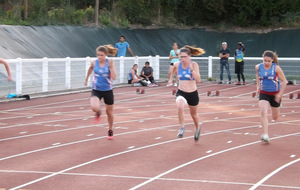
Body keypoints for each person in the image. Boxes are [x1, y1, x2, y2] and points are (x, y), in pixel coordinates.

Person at [168, 45, 205, 141]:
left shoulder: (194, 65)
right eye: (181, 56)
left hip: (192, 93)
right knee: (180, 106)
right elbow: (172, 71)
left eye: (184, 57)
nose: (182, 58)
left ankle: (197, 128)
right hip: (181, 92)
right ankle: (182, 127)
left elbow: (198, 80)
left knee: (194, 115)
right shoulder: (177, 64)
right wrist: (170, 79)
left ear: (189, 56)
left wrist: (192, 70)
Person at [84, 45, 117, 140]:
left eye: (101, 55)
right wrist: (86, 79)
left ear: (106, 55)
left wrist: (111, 68)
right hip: (96, 89)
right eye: (98, 55)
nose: (99, 57)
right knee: (94, 107)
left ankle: (110, 129)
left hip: (108, 90)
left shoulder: (110, 62)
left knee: (109, 112)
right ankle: (98, 112)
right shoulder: (94, 62)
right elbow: (90, 69)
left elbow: (114, 77)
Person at [255, 50, 287, 143]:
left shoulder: (276, 68)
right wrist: (258, 86)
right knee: (263, 112)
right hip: (264, 93)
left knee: (275, 118)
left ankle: (279, 105)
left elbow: (284, 81)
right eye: (265, 60)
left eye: (268, 61)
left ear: (272, 60)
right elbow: (258, 75)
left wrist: (279, 94)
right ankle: (265, 134)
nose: (266, 63)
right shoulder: (258, 67)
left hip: (275, 94)